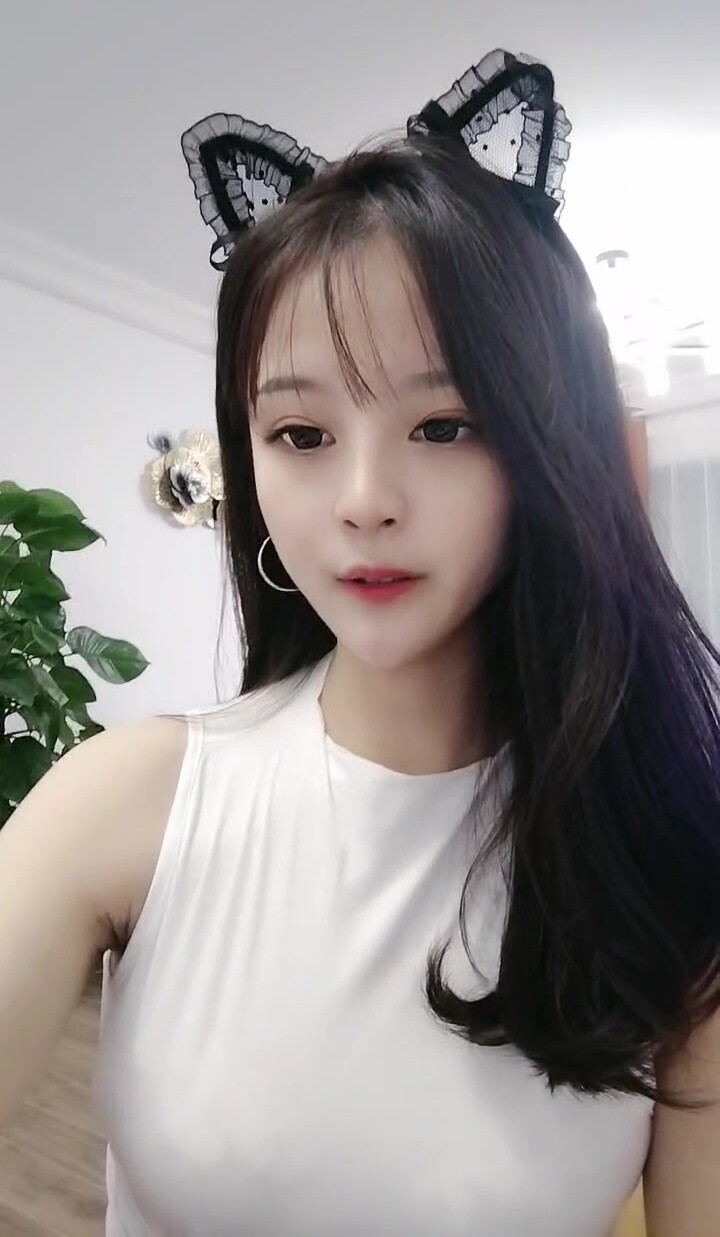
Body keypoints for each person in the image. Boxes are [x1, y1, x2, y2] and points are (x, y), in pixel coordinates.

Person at [1, 57, 719, 1237]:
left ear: (554, 446)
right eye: (301, 433)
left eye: (446, 424)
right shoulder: (130, 800)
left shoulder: (669, 871)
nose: (365, 500)